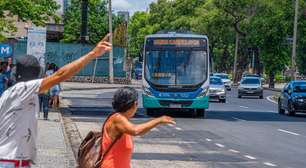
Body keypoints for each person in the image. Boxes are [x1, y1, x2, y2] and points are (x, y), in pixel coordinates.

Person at [0, 34, 112, 168]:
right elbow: (60, 75)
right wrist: (92, 54)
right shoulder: (20, 90)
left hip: (17, 161)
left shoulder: (17, 95)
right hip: (10, 162)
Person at [101, 87, 176, 168]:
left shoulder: (122, 121)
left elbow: (139, 131)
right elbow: (136, 130)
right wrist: (158, 120)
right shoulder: (117, 118)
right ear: (134, 104)